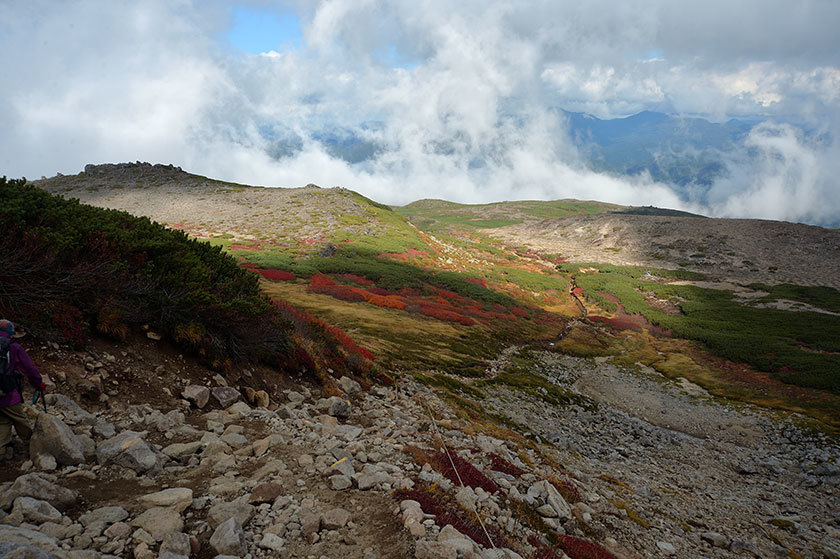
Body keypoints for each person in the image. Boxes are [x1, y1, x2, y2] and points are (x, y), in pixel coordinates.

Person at [0, 319, 46, 458]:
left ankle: (1, 452)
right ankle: (35, 448)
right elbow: (29, 369)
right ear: (11, 332)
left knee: (3, 421)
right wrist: (38, 384)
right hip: (7, 393)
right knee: (21, 420)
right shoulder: (14, 348)